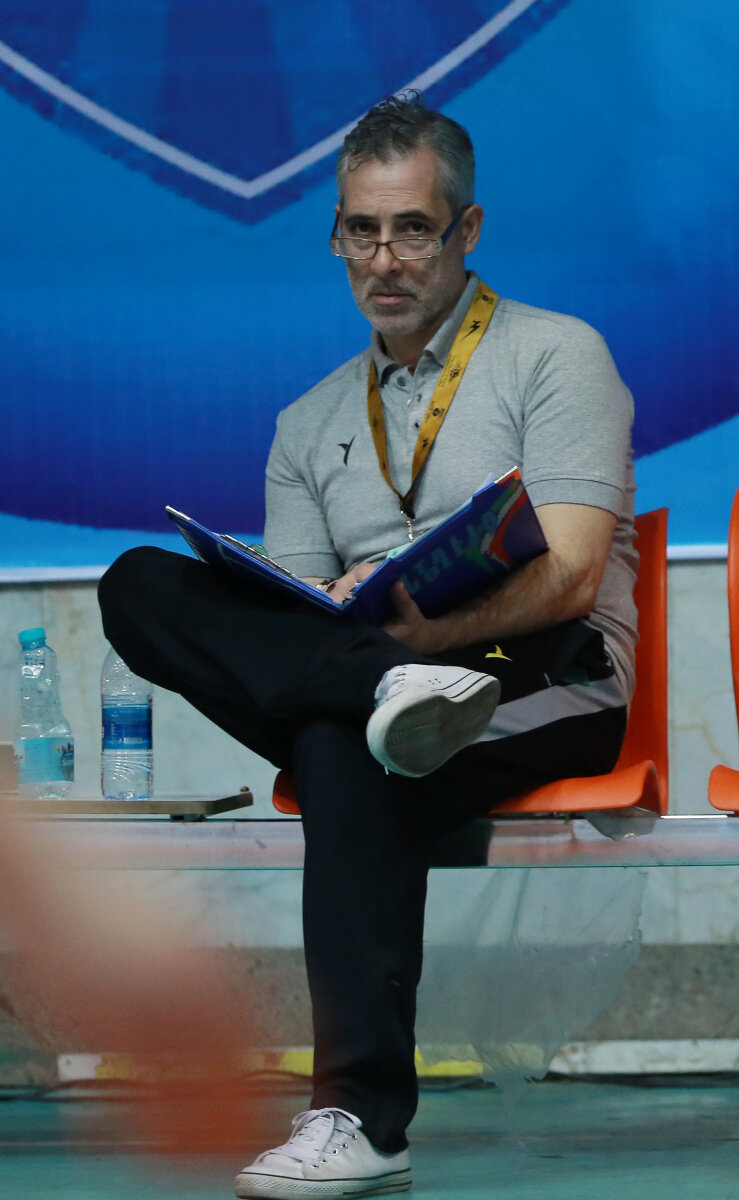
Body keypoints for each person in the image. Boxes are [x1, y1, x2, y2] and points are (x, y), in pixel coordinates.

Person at [98, 92, 638, 1198]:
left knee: (347, 736)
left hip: (546, 673)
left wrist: (419, 634)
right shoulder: (308, 422)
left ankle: (358, 1117)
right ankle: (387, 691)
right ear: (336, 235)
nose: (383, 260)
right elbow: (289, 624)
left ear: (466, 229)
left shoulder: (554, 354)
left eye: (412, 230)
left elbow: (576, 573)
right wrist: (356, 643)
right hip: (381, 681)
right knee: (139, 584)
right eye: (361, 230)